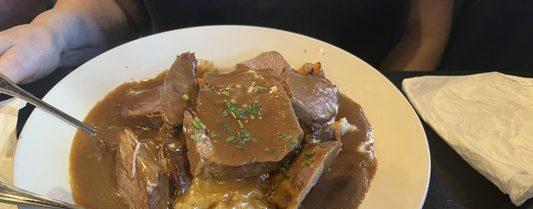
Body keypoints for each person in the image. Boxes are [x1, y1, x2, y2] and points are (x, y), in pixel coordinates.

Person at [0, 0, 455, 84]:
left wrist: (390, 112)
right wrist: (54, 32)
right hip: (174, 84)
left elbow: (424, 34)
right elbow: (123, 6)